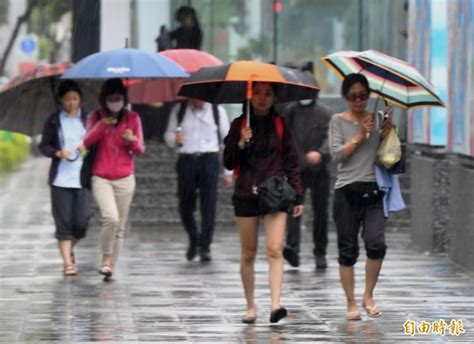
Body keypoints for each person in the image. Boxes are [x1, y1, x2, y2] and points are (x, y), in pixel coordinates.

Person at [223, 82, 304, 324]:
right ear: (250, 95)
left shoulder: (281, 124)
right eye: (257, 92)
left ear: (274, 98)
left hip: (275, 193)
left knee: (275, 248)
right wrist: (240, 142)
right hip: (246, 192)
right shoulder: (239, 124)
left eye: (267, 93)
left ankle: (275, 304)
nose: (261, 98)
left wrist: (298, 195)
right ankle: (250, 306)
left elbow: (292, 161)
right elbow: (228, 161)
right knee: (248, 253)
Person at [328, 73, 394, 320]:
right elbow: (337, 155)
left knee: (376, 244)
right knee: (347, 250)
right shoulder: (337, 121)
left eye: (363, 96)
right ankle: (351, 302)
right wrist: (359, 135)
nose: (359, 101)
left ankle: (368, 295)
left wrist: (388, 133)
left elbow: (388, 155)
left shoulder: (378, 118)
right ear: (346, 97)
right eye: (353, 96)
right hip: (347, 191)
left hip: (373, 190)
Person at [82, 78, 145, 280]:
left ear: (124, 99)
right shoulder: (96, 117)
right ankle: (105, 259)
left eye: (118, 98)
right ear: (104, 100)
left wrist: (131, 141)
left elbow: (140, 149)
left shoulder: (132, 118)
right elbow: (86, 141)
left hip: (125, 178)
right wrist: (101, 126)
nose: (115, 102)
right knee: (110, 217)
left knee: (120, 227)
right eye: (111, 99)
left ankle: (111, 269)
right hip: (101, 177)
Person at [164, 98, 232, 262]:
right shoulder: (179, 110)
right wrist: (175, 139)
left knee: (208, 205)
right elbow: (168, 134)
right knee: (185, 204)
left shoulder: (217, 111)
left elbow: (228, 141)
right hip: (187, 160)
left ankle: (205, 246)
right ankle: (194, 237)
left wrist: (228, 171)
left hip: (209, 160)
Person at [39, 80, 91, 276]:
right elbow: (44, 146)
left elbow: (96, 141)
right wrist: (57, 152)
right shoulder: (54, 121)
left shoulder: (88, 119)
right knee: (63, 224)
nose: (71, 103)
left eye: (75, 99)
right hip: (60, 179)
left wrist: (87, 148)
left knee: (82, 223)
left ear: (80, 99)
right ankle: (68, 263)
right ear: (61, 100)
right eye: (67, 99)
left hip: (82, 177)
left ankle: (69, 249)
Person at [282, 69, 332, 270]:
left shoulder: (325, 113)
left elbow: (331, 137)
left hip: (320, 171)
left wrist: (320, 153)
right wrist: (300, 158)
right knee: (294, 210)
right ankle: (292, 248)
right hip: (297, 171)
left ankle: (320, 252)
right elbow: (286, 139)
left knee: (321, 213)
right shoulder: (289, 112)